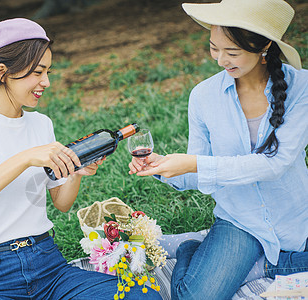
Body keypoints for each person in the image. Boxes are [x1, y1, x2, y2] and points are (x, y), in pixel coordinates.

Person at [0, 18, 162, 299]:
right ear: (2, 72)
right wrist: (24, 158)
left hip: (48, 265)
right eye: (38, 72)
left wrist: (75, 171)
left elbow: (61, 202)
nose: (46, 82)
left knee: (143, 295)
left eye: (48, 72)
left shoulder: (41, 124)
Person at [128, 0, 308, 299]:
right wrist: (162, 167)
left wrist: (195, 164)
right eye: (214, 48)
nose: (221, 59)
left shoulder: (301, 87)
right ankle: (192, 249)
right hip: (240, 220)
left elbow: (274, 164)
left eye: (232, 52)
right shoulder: (204, 96)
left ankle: (255, 265)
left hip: (295, 215)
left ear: (264, 47)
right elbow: (197, 172)